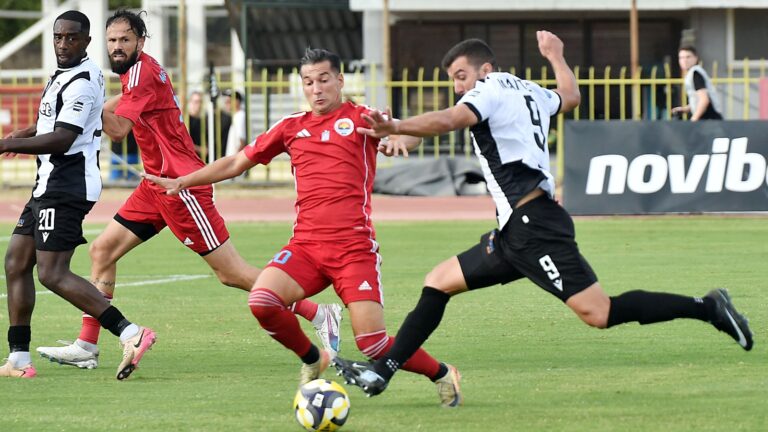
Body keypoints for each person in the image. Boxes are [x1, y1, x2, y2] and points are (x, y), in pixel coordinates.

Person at [332, 32, 753, 398]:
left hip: (534, 228)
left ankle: (708, 307)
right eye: (453, 80)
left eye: (461, 76)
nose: (458, 87)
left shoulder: (488, 89)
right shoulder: (525, 89)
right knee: (438, 281)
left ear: (485, 70)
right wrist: (555, 55)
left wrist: (396, 127)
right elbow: (570, 96)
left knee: (599, 313)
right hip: (516, 230)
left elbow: (451, 119)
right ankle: (383, 370)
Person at [144, 48, 463, 407]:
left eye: (324, 80)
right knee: (262, 301)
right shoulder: (291, 127)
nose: (316, 88)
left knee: (372, 344)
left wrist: (398, 138)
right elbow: (236, 162)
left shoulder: (362, 117)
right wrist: (183, 181)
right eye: (308, 82)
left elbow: (410, 131)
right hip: (306, 248)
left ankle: (442, 372)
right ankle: (313, 358)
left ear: (339, 80)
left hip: (353, 250)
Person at [36, 10, 340, 370]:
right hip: (155, 184)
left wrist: (86, 108)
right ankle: (87, 345)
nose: (117, 46)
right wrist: (98, 103)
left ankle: (318, 312)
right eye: (112, 40)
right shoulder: (137, 71)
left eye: (125, 40)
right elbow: (122, 103)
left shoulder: (141, 72)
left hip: (181, 187)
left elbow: (117, 131)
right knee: (102, 250)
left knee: (231, 273)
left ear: (140, 42)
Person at [0, 10, 155, 380]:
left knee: (52, 273)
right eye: (58, 37)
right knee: (16, 263)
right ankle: (18, 359)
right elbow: (53, 120)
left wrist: (6, 143)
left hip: (66, 186)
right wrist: (23, 133)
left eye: (72, 37)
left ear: (86, 41)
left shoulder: (84, 80)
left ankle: (131, 333)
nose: (63, 43)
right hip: (48, 184)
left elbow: (63, 137)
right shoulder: (64, 73)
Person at [672, 46, 723, 121]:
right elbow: (698, 99)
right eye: (681, 58)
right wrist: (686, 108)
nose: (684, 60)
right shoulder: (693, 73)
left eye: (688, 57)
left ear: (696, 58)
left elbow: (704, 100)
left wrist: (694, 119)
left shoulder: (696, 74)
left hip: (709, 119)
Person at [223, 89, 246, 158]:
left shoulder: (240, 116)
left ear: (237, 102)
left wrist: (235, 159)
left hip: (235, 160)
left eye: (229, 102)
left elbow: (242, 140)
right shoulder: (237, 116)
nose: (226, 104)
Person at [187, 90, 206, 159]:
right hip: (189, 157)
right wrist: (200, 149)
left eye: (200, 102)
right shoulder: (186, 120)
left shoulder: (202, 120)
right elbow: (185, 142)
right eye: (196, 102)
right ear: (190, 102)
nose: (199, 105)